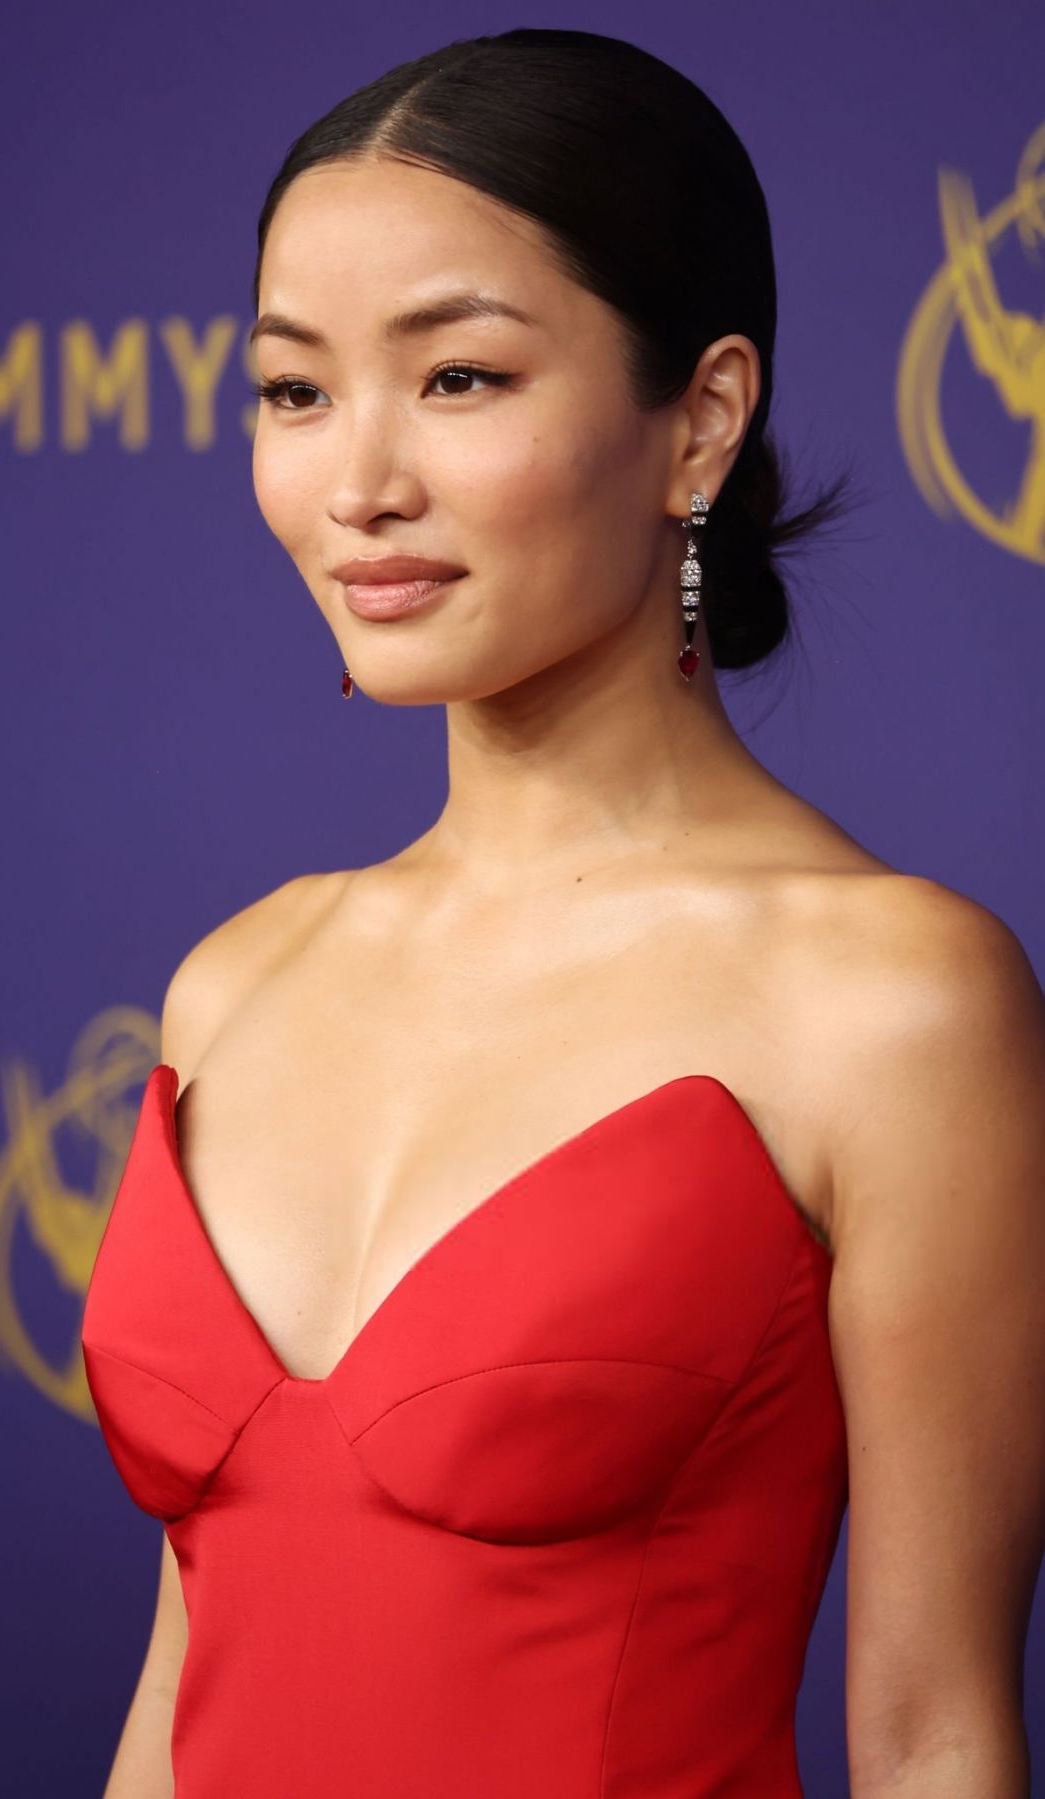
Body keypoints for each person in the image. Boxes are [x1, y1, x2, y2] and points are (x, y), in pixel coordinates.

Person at [81, 27, 1045, 1798]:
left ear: (701, 416)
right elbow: (183, 1685)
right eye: (294, 391)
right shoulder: (238, 977)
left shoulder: (894, 997)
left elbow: (935, 1737)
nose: (357, 479)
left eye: (457, 378)